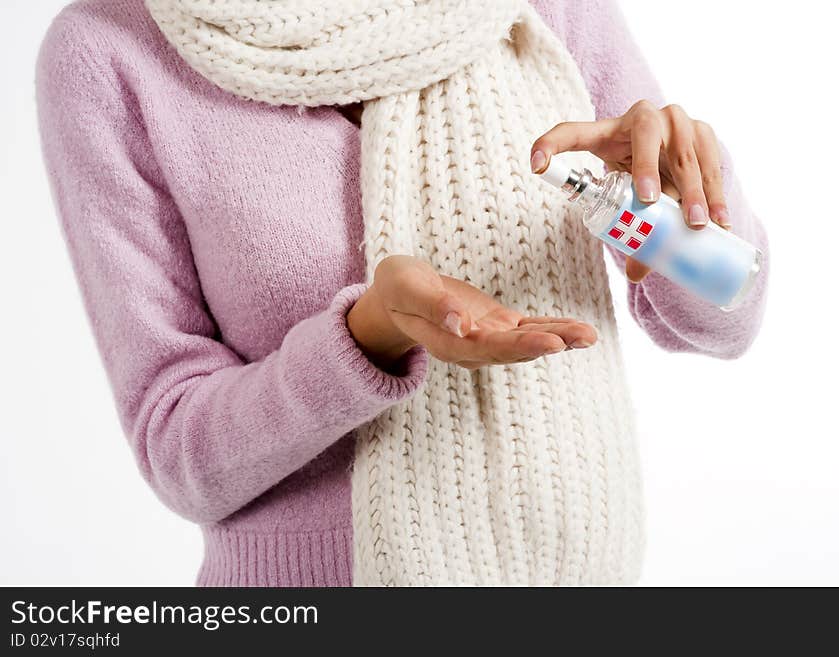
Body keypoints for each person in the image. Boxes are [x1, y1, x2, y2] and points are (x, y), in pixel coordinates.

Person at [36, 0, 768, 586]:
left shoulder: (538, 8)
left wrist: (687, 210)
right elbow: (177, 449)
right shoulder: (109, 48)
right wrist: (364, 338)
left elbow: (723, 319)